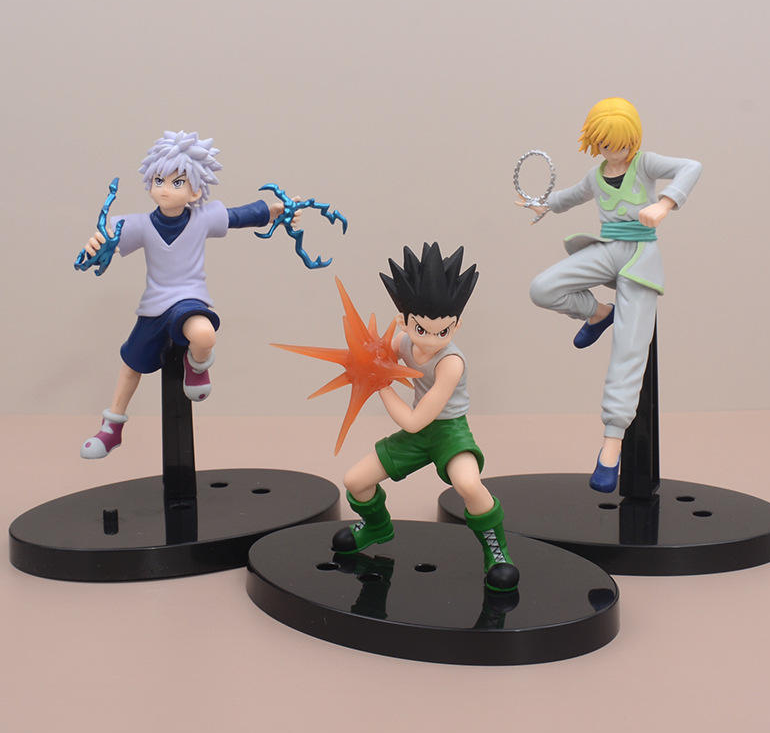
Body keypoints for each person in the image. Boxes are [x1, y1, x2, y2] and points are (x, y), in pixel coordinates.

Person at [520, 98, 701, 492]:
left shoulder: (645, 163)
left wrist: (665, 204)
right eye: (606, 144)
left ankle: (611, 445)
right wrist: (543, 205)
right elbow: (570, 196)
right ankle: (600, 312)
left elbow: (691, 167)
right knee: (543, 287)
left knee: (629, 350)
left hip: (640, 258)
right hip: (607, 250)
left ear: (633, 140)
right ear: (595, 143)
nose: (615, 151)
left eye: (621, 144)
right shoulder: (596, 174)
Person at [80, 130, 295, 459]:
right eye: (159, 180)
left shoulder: (202, 219)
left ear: (195, 190)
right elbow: (109, 235)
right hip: (154, 306)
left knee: (204, 334)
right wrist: (95, 243)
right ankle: (113, 427)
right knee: (131, 364)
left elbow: (240, 215)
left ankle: (197, 364)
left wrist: (277, 210)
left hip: (189, 300)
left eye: (177, 182)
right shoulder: (141, 225)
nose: (165, 189)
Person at [332, 242, 519, 592]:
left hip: (449, 432)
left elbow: (415, 420)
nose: (432, 340)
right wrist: (365, 359)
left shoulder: (451, 363)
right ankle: (376, 526)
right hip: (417, 438)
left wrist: (379, 383)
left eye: (442, 331)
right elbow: (377, 355)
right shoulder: (403, 342)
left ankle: (497, 552)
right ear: (404, 322)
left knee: (468, 485)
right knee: (355, 481)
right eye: (422, 330)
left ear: (456, 326)